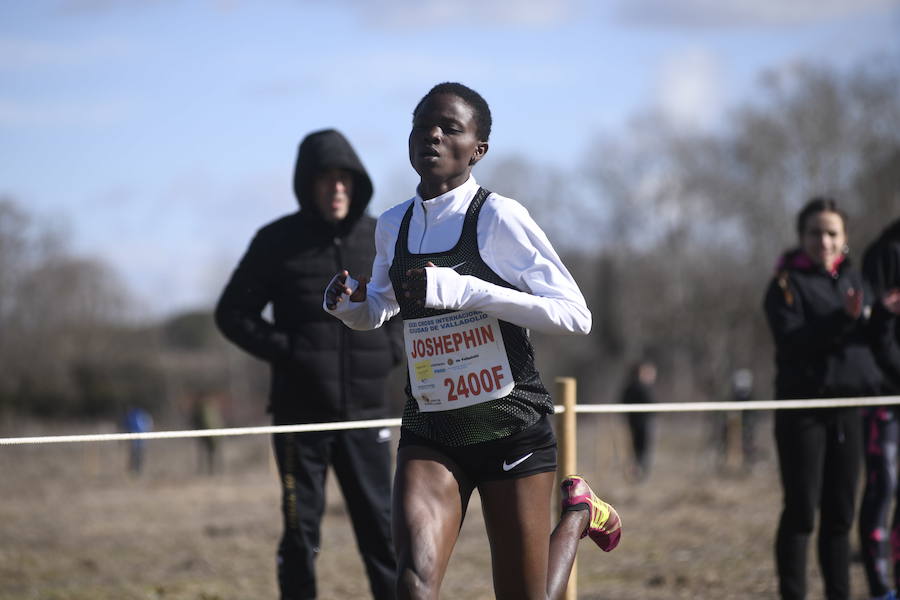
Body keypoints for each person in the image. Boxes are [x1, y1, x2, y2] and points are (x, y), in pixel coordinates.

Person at [324, 82, 621, 599]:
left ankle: (578, 515)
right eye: (423, 126)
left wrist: (469, 290)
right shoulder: (392, 224)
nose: (432, 135)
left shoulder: (498, 217)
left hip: (511, 428)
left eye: (451, 128)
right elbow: (381, 306)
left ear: (477, 150)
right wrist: (351, 307)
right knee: (413, 583)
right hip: (431, 429)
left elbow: (576, 316)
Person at [215, 129, 403, 600]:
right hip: (300, 419)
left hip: (369, 415)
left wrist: (390, 351)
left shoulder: (380, 237)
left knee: (384, 532)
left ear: (356, 184)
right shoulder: (276, 242)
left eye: (345, 179)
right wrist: (290, 351)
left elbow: (409, 305)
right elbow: (231, 313)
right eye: (326, 179)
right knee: (301, 536)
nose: (337, 188)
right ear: (307, 184)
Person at [763, 197, 885, 600]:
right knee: (801, 512)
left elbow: (870, 346)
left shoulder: (857, 282)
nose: (824, 241)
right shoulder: (784, 284)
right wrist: (843, 320)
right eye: (815, 232)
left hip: (849, 411)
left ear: (845, 238)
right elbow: (793, 342)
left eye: (832, 233)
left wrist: (880, 316)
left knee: (841, 516)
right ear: (801, 237)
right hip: (803, 412)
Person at [857, 217, 900, 600]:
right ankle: (880, 588)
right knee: (882, 485)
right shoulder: (884, 253)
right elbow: (874, 331)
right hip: (885, 394)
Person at [620, 359, 657, 481]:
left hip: (637, 422)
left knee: (639, 450)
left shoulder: (632, 387)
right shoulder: (639, 387)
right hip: (640, 423)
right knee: (640, 450)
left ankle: (638, 472)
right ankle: (638, 473)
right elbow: (652, 403)